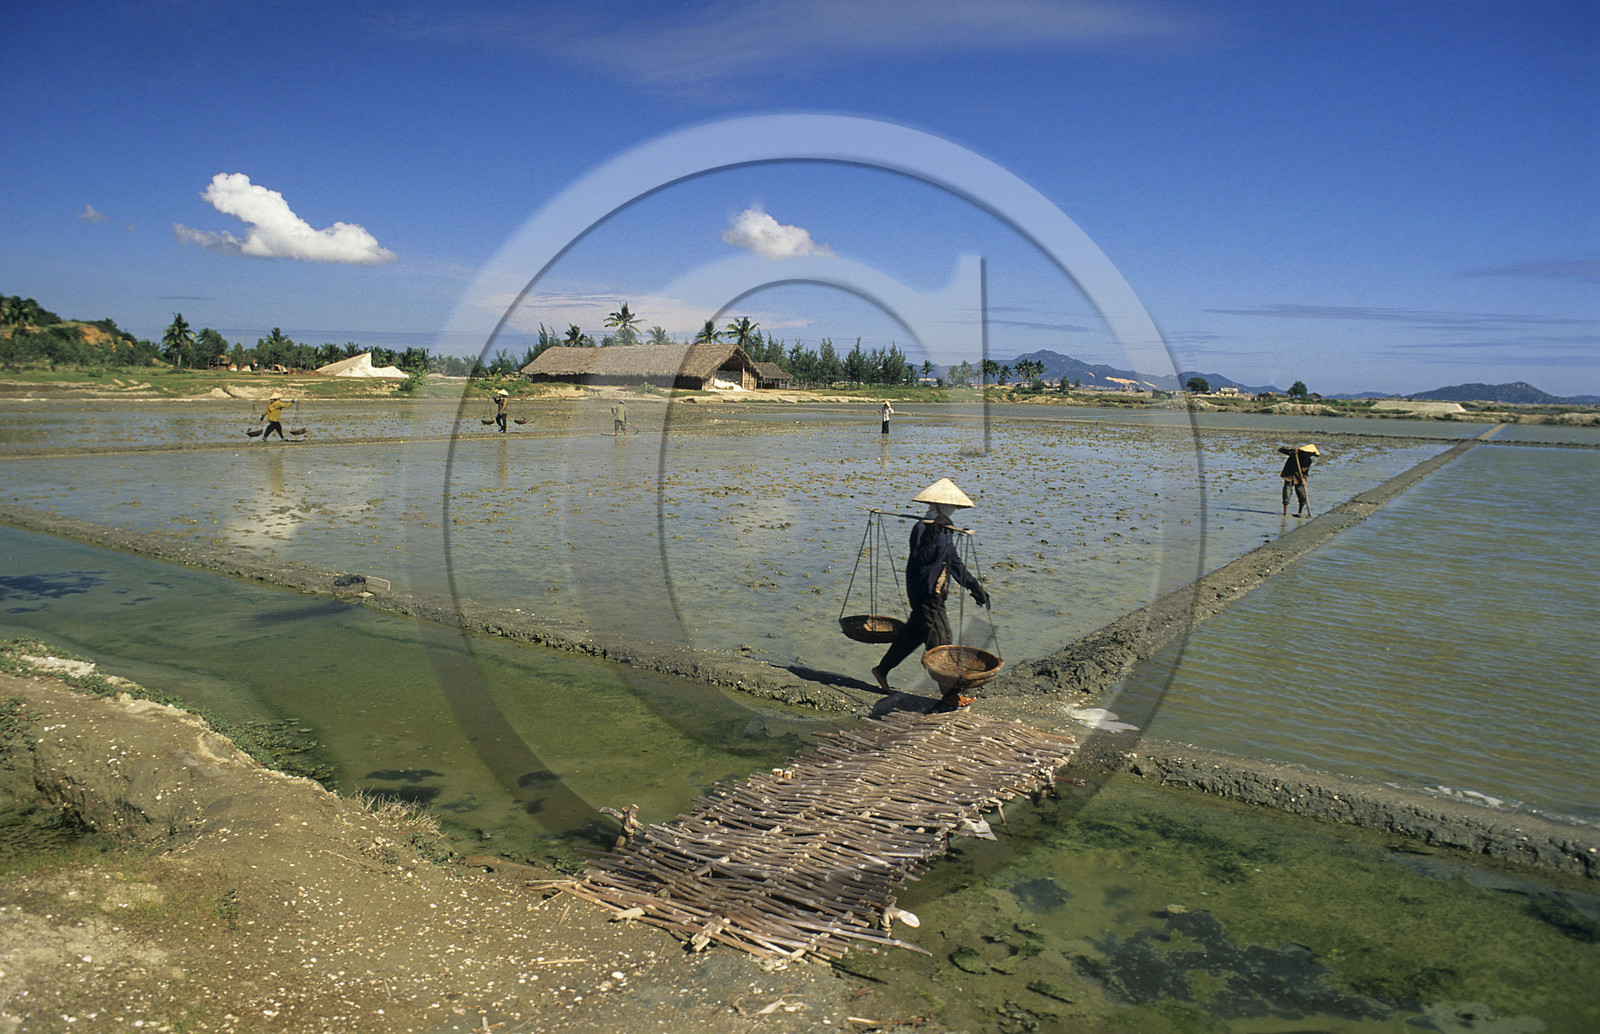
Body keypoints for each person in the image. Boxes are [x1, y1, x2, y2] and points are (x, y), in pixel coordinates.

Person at [871, 478, 991, 709]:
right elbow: (921, 558)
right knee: (941, 640)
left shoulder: (946, 529)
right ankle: (949, 693)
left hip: (934, 592)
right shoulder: (923, 527)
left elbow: (953, 562)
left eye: (953, 508)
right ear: (937, 506)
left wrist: (975, 587)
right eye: (949, 507)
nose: (952, 510)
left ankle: (882, 670)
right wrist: (933, 532)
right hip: (925, 592)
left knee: (913, 635)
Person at [1278, 443, 1319, 516]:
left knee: (1303, 497)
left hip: (1299, 478)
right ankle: (1285, 513)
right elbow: (1281, 450)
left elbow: (1306, 472)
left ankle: (1299, 512)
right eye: (1309, 453)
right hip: (1289, 475)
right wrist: (1291, 450)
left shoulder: (1308, 461)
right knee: (1286, 495)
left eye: (1311, 454)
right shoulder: (1295, 454)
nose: (1309, 455)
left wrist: (1304, 480)